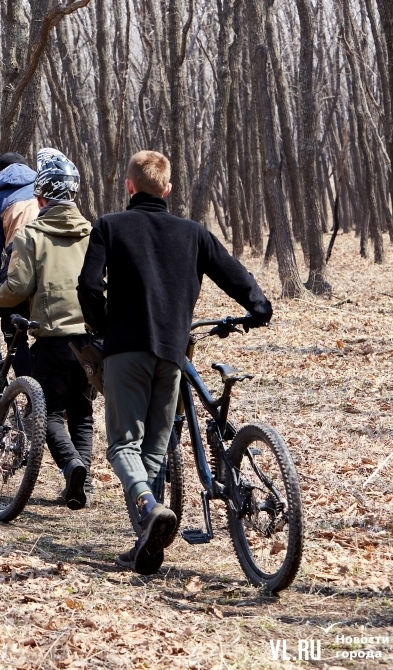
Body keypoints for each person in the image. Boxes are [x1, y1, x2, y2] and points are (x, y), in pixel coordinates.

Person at [78, 150, 273, 575]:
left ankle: (148, 505)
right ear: (167, 189)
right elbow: (234, 274)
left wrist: (104, 327)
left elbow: (89, 286)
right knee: (155, 448)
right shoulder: (194, 233)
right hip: (173, 353)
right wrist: (259, 308)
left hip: (126, 349)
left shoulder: (110, 226)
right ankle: (145, 540)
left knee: (122, 445)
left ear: (129, 186)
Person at [0, 152, 95, 510]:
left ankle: (72, 466)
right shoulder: (93, 231)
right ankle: (80, 482)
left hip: (52, 336)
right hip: (90, 339)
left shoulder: (32, 235)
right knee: (83, 412)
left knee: (49, 412)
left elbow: (16, 288)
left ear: (40, 198)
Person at [0, 153, 40, 378]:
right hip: (51, 265)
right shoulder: (44, 190)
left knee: (13, 331)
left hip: (18, 265)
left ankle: (27, 389)